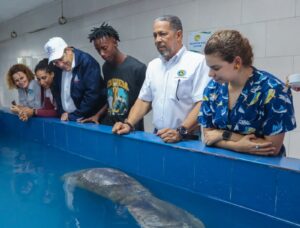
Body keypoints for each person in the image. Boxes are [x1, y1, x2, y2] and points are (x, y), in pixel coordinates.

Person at [112, 15, 210, 142]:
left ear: (178, 35)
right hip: (158, 136)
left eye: (162, 34)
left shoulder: (198, 62)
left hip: (187, 137)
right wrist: (129, 124)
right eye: (155, 35)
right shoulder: (153, 65)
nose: (158, 40)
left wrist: (181, 131)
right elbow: (144, 100)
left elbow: (203, 103)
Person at [199, 30, 296, 156]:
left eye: (216, 68)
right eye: (209, 67)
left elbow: (272, 148)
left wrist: (223, 135)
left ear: (237, 63)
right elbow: (208, 137)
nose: (210, 74)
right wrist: (237, 146)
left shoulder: (274, 90)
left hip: (262, 169)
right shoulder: (212, 89)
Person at [79, 23, 146, 130]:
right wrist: (97, 115)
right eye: (98, 50)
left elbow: (146, 102)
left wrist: (129, 123)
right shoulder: (106, 67)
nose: (102, 53)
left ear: (115, 42)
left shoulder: (138, 68)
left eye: (104, 48)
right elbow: (110, 99)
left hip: (130, 129)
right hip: (109, 126)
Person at [44, 37, 107, 121]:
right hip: (67, 118)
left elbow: (92, 94)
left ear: (68, 50)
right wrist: (62, 111)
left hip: (88, 119)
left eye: (61, 59)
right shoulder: (57, 67)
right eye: (55, 62)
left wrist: (74, 115)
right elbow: (57, 91)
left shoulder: (87, 62)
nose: (60, 65)